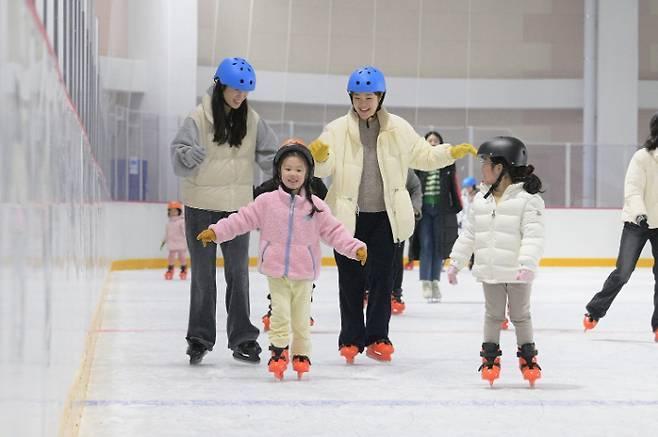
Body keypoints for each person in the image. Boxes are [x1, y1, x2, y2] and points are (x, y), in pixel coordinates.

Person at [307, 65, 476, 363]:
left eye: (369, 97)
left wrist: (449, 152)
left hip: (385, 216)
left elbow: (423, 156)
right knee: (350, 280)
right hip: (349, 217)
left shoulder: (398, 128)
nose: (363, 103)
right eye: (357, 97)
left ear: (380, 97)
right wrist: (318, 157)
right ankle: (350, 339)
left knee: (383, 280)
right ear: (350, 97)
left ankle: (378, 337)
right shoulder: (336, 130)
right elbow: (324, 168)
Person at [196, 142, 367, 380]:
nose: (293, 174)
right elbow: (240, 220)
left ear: (307, 173)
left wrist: (355, 247)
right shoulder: (266, 202)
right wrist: (217, 231)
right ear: (279, 171)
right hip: (276, 272)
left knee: (301, 319)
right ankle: (278, 352)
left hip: (304, 273)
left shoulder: (316, 206)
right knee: (280, 315)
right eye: (288, 169)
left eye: (299, 169)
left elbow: (335, 232)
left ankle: (301, 354)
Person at [170, 57, 278, 365]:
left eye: (245, 92)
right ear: (221, 86)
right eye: (235, 90)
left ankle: (243, 338)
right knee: (204, 277)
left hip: (237, 211)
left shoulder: (252, 120)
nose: (240, 97)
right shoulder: (198, 118)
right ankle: (200, 339)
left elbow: (271, 156)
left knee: (238, 276)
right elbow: (177, 154)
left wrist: (292, 163)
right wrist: (189, 155)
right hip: (201, 207)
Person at [446, 136, 545, 387]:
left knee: (521, 315)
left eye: (486, 163)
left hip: (518, 272)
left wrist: (526, 264)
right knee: (493, 315)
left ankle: (528, 356)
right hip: (490, 270)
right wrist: (456, 261)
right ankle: (490, 357)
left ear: (501, 168)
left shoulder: (528, 199)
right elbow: (469, 234)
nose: (482, 168)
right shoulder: (481, 200)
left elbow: (533, 236)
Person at [584, 112, 658, 343]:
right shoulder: (643, 157)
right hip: (638, 222)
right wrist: (640, 214)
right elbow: (633, 189)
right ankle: (595, 310)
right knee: (623, 271)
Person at [255, 138, 328, 331]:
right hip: (279, 247)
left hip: (304, 246)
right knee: (279, 283)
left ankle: (303, 312)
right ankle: (274, 310)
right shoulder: (271, 186)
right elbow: (256, 206)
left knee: (305, 285)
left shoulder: (316, 185)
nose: (293, 173)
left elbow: (326, 208)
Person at [415, 131, 463, 303]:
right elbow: (412, 186)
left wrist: (457, 207)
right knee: (426, 245)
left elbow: (453, 185)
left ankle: (435, 281)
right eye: (430, 141)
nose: (433, 143)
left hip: (441, 210)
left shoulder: (447, 164)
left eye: (436, 141)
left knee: (438, 247)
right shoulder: (419, 163)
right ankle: (425, 282)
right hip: (424, 211)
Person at [390, 169, 422, 314]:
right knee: (374, 258)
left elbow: (415, 187)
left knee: (396, 258)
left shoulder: (404, 168)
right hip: (374, 217)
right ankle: (369, 290)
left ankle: (395, 294)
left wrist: (415, 208)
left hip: (398, 220)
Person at [162, 201, 188, 280]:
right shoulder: (169, 223)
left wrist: (187, 237)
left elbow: (185, 231)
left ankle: (183, 269)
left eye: (175, 211)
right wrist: (164, 240)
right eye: (171, 211)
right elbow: (167, 234)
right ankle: (170, 269)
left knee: (182, 257)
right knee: (171, 257)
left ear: (179, 211)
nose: (173, 213)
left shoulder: (181, 222)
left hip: (181, 242)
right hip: (172, 243)